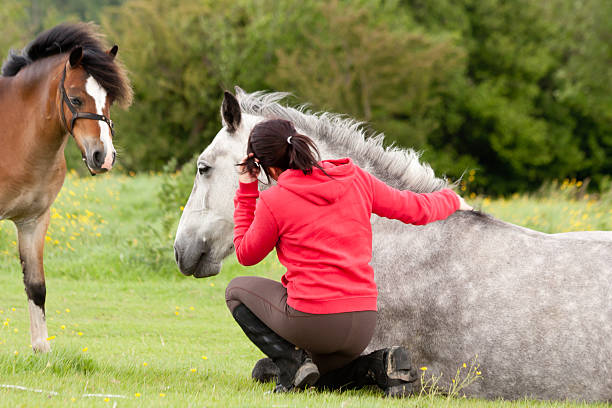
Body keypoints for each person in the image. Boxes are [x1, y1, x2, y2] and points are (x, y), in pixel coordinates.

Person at [225, 119, 472, 395]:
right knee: (321, 377)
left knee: (235, 291)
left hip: (314, 321)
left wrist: (247, 190)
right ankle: (380, 364)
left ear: (265, 166)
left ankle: (290, 364)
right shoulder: (355, 178)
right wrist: (451, 200)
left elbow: (246, 254)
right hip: (362, 323)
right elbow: (413, 208)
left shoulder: (275, 199)